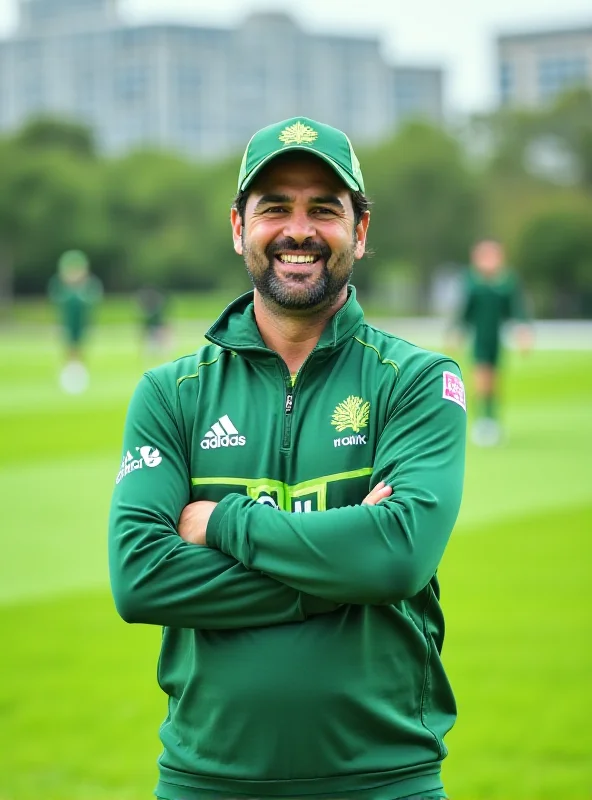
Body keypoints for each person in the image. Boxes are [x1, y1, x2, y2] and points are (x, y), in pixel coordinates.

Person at [108, 116, 467, 800]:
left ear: (359, 232)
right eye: (274, 207)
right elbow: (140, 579)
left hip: (385, 781)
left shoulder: (417, 379)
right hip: (204, 782)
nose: (298, 230)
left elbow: (396, 558)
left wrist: (223, 525)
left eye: (323, 210)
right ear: (239, 227)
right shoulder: (170, 392)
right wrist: (341, 566)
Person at [454, 239, 532, 447]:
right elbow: (464, 312)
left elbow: (517, 310)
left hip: (496, 339)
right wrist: (457, 332)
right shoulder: (472, 282)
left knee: (494, 382)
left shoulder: (506, 283)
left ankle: (493, 420)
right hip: (479, 338)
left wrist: (523, 332)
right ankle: (482, 421)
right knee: (481, 380)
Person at [48, 249, 103, 394]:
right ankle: (68, 374)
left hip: (81, 324)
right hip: (68, 324)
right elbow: (57, 308)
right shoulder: (62, 289)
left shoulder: (87, 288)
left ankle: (79, 374)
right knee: (68, 349)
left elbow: (92, 305)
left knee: (80, 349)